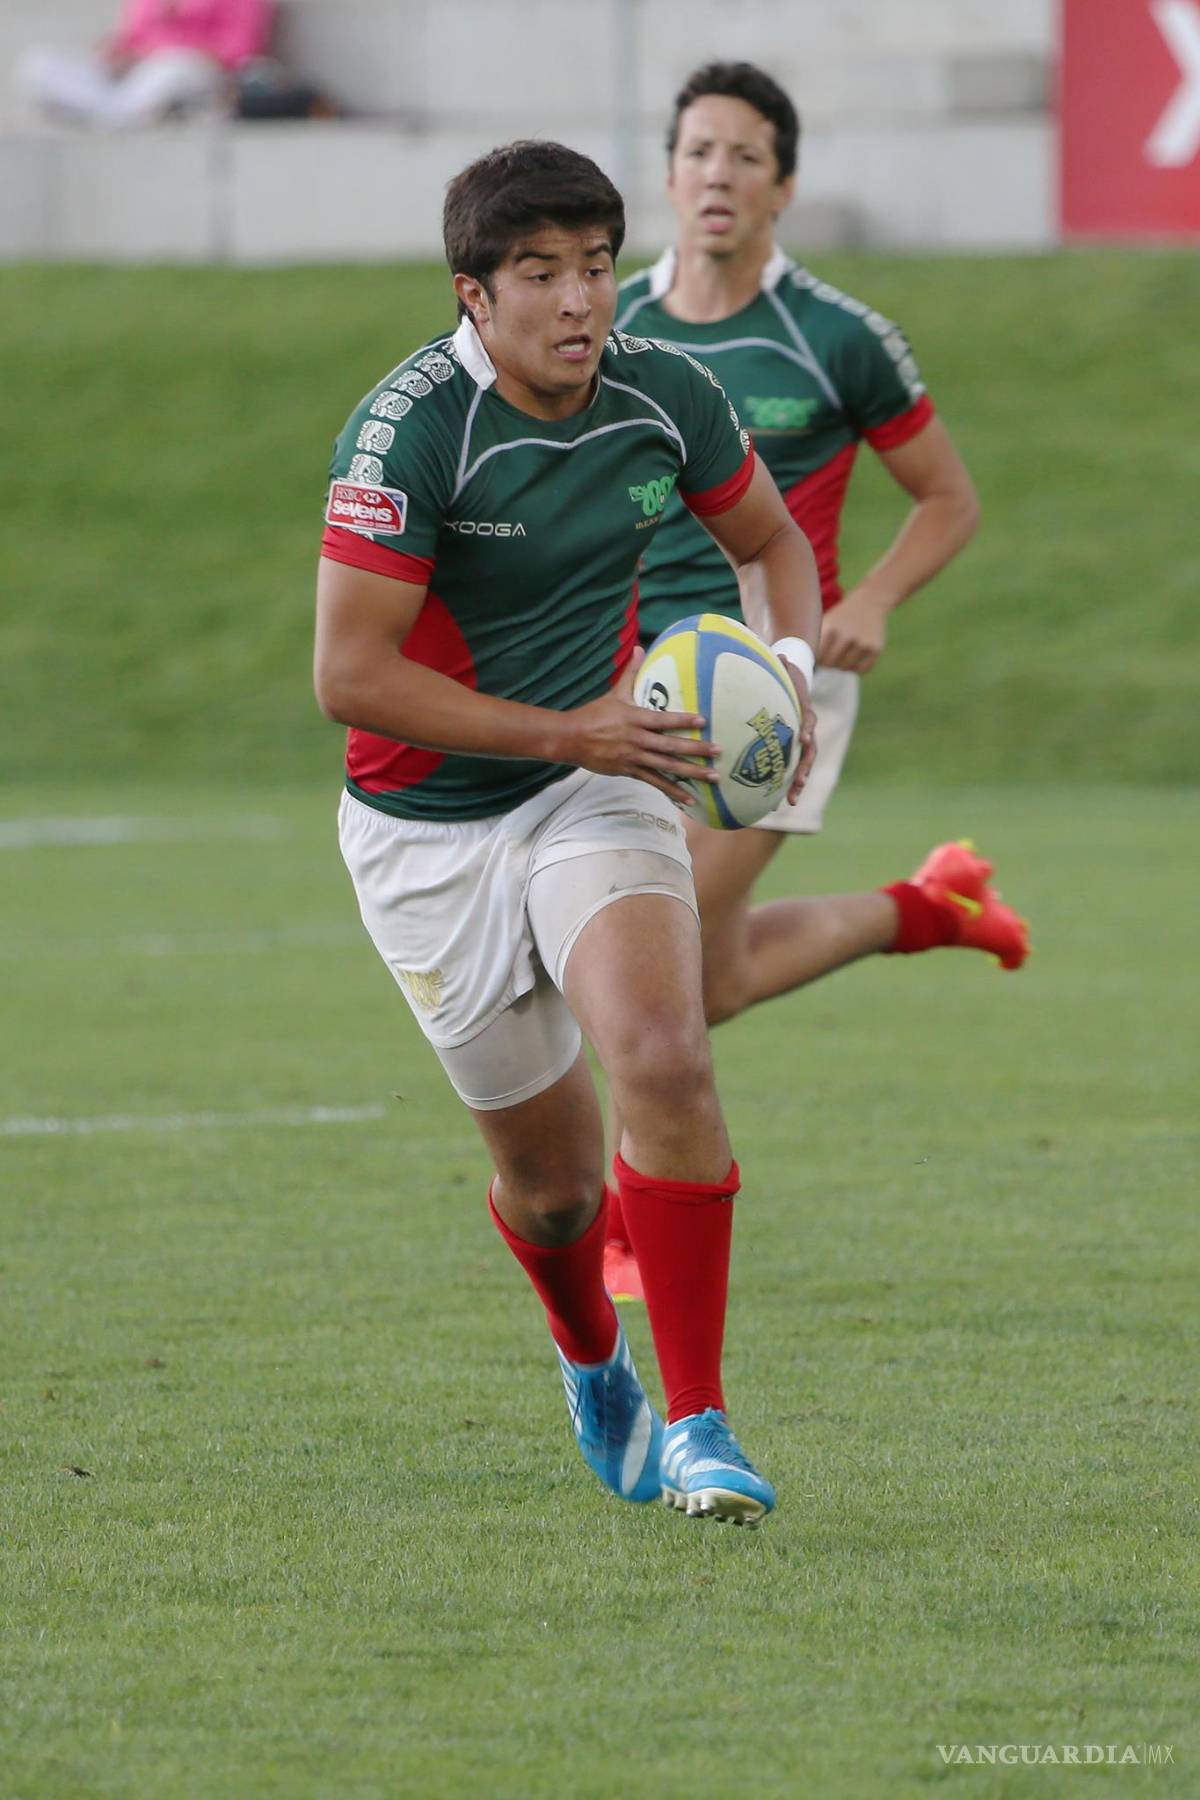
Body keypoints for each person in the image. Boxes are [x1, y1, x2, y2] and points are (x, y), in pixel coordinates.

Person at [313, 141, 822, 1525]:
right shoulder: (411, 430)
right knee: (549, 1193)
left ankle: (704, 1422)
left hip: (599, 784)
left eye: (595, 266)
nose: (578, 299)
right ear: (473, 294)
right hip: (422, 832)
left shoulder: (669, 396)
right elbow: (347, 677)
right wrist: (569, 730)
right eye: (538, 273)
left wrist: (781, 676)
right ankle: (593, 1360)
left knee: (661, 1047)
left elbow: (774, 547)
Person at [603, 62, 1029, 1301]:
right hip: (630, 688)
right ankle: (930, 910)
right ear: (668, 176)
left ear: (783, 184)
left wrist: (870, 603)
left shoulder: (834, 335)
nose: (717, 175)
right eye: (697, 152)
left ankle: (638, 1215)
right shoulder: (614, 326)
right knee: (709, 974)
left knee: (649, 956)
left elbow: (949, 500)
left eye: (744, 155)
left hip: (771, 691)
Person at [19, 0, 272, 129]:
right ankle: (117, 116)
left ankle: (114, 116)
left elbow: (240, 50)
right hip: (135, 75)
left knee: (170, 68)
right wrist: (114, 54)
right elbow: (129, 37)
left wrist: (153, 55)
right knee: (40, 64)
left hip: (194, 72)